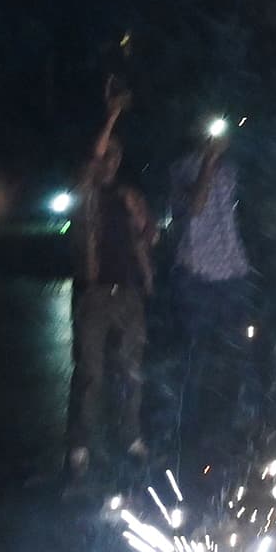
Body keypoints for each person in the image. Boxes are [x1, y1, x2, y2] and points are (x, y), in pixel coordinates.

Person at [67, 86, 157, 476]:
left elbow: (146, 236)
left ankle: (131, 437)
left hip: (129, 293)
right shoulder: (86, 191)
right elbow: (94, 156)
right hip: (95, 292)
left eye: (117, 155)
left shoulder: (126, 195)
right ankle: (80, 444)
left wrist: (148, 234)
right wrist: (112, 116)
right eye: (108, 153)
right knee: (90, 373)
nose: (111, 160)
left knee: (131, 369)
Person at [170, 121, 258, 455]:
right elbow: (195, 206)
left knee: (239, 350)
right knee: (197, 354)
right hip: (199, 276)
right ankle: (188, 431)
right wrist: (207, 161)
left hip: (232, 272)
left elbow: (232, 215)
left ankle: (238, 423)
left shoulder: (230, 170)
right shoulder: (182, 168)